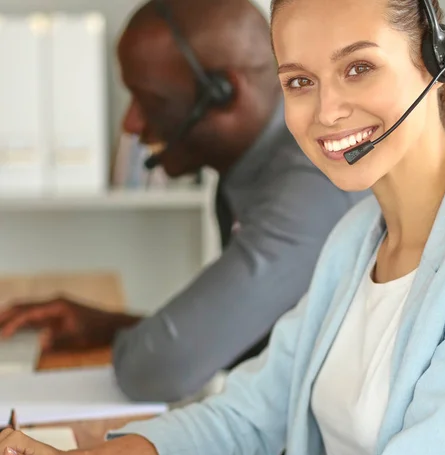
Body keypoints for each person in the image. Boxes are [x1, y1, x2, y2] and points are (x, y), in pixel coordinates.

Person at [1, 0, 445, 455]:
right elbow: (251, 414)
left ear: (435, 60)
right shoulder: (355, 239)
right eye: (299, 81)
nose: (327, 111)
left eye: (358, 68)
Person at [0, 0, 365, 405]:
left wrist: (146, 344)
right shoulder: (257, 168)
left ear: (225, 93)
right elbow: (254, 341)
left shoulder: (314, 182)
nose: (131, 123)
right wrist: (112, 327)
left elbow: (159, 371)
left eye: (150, 101)